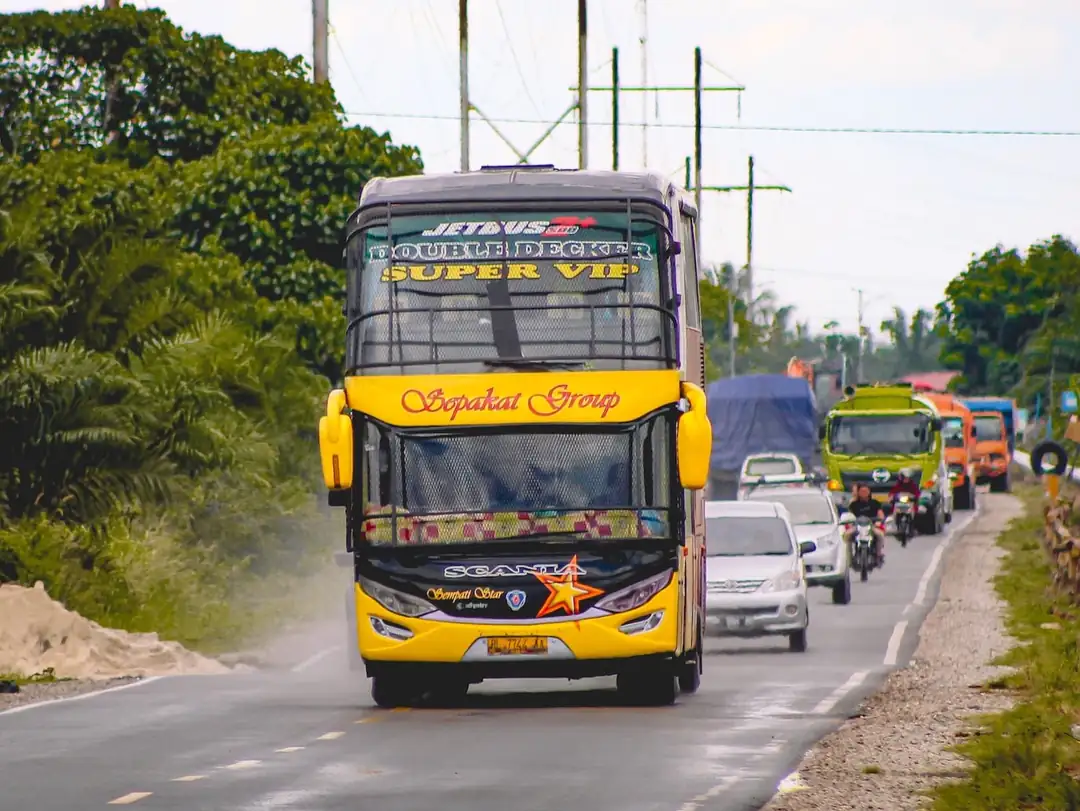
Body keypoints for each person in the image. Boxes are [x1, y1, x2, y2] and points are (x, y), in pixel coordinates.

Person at [844, 484, 886, 566]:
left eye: (866, 491)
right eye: (862, 491)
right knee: (847, 535)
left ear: (869, 492)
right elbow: (849, 515)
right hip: (857, 526)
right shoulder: (854, 504)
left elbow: (881, 514)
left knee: (880, 535)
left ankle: (878, 554)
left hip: (871, 526)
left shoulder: (875, 503)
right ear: (858, 492)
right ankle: (849, 558)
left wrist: (879, 521)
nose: (864, 493)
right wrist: (849, 522)